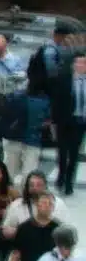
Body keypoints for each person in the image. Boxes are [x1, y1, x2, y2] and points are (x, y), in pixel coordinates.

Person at [7, 192, 60, 261]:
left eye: (50, 204)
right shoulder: (24, 228)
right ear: (37, 204)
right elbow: (16, 256)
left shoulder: (58, 229)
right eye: (44, 202)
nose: (47, 206)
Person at [60, 53, 86, 196]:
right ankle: (62, 175)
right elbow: (58, 101)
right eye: (79, 63)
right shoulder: (66, 81)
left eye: (84, 63)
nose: (82, 66)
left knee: (74, 153)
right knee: (63, 152)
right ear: (74, 65)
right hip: (66, 120)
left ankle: (69, 182)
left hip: (81, 121)